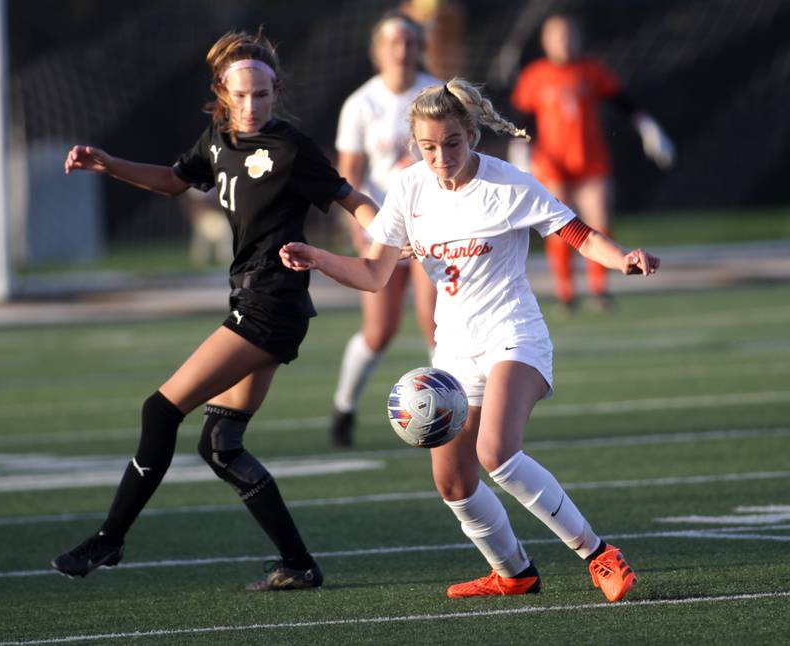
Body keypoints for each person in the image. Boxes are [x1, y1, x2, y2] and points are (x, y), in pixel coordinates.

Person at [280, 78, 659, 602]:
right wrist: (319, 259)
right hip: (454, 350)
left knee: (496, 453)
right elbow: (373, 274)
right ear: (415, 144)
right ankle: (514, 573)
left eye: (452, 144)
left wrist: (623, 259)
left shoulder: (509, 184)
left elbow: (576, 234)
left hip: (513, 335)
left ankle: (598, 554)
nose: (441, 158)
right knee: (453, 482)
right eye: (429, 147)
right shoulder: (410, 188)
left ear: (472, 135)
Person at [52, 27, 378, 591]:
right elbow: (175, 183)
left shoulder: (292, 148)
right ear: (223, 93)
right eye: (243, 94)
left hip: (271, 304)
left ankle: (109, 538)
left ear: (277, 93)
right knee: (221, 445)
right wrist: (108, 163)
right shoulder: (217, 140)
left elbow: (357, 201)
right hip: (254, 300)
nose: (253, 105)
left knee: (160, 412)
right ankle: (299, 564)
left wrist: (391, 245)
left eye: (264, 94)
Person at [510, 13, 674, 311]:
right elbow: (522, 121)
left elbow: (622, 101)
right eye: (557, 35)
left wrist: (648, 128)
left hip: (590, 162)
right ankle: (566, 291)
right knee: (559, 225)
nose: (564, 41)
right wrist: (521, 155)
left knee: (599, 220)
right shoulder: (535, 76)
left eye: (569, 35)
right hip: (552, 162)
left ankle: (599, 288)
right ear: (546, 41)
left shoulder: (591, 71)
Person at [329, 11, 438, 447]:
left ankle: (452, 412)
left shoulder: (436, 94)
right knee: (380, 330)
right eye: (392, 42)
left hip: (433, 225)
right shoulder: (361, 104)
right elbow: (348, 177)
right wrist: (361, 229)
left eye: (409, 41)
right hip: (385, 228)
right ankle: (344, 406)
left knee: (436, 325)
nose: (401, 49)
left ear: (419, 48)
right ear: (377, 51)